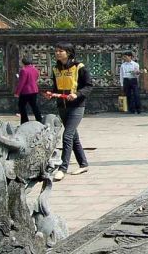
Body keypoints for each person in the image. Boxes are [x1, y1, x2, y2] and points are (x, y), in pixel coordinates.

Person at [47, 43, 92, 181]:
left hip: (77, 106)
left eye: (61, 51)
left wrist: (77, 94)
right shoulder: (56, 69)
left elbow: (89, 86)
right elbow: (56, 87)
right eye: (56, 51)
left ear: (69, 53)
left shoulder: (79, 67)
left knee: (67, 136)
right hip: (62, 106)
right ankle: (83, 164)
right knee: (73, 137)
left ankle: (62, 168)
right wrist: (52, 94)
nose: (58, 53)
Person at [14, 55, 42, 124]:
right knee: (34, 106)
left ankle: (24, 121)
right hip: (34, 90)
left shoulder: (23, 70)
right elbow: (36, 78)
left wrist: (17, 92)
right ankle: (39, 120)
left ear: (23, 62)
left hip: (26, 91)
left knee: (21, 106)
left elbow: (21, 83)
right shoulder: (35, 69)